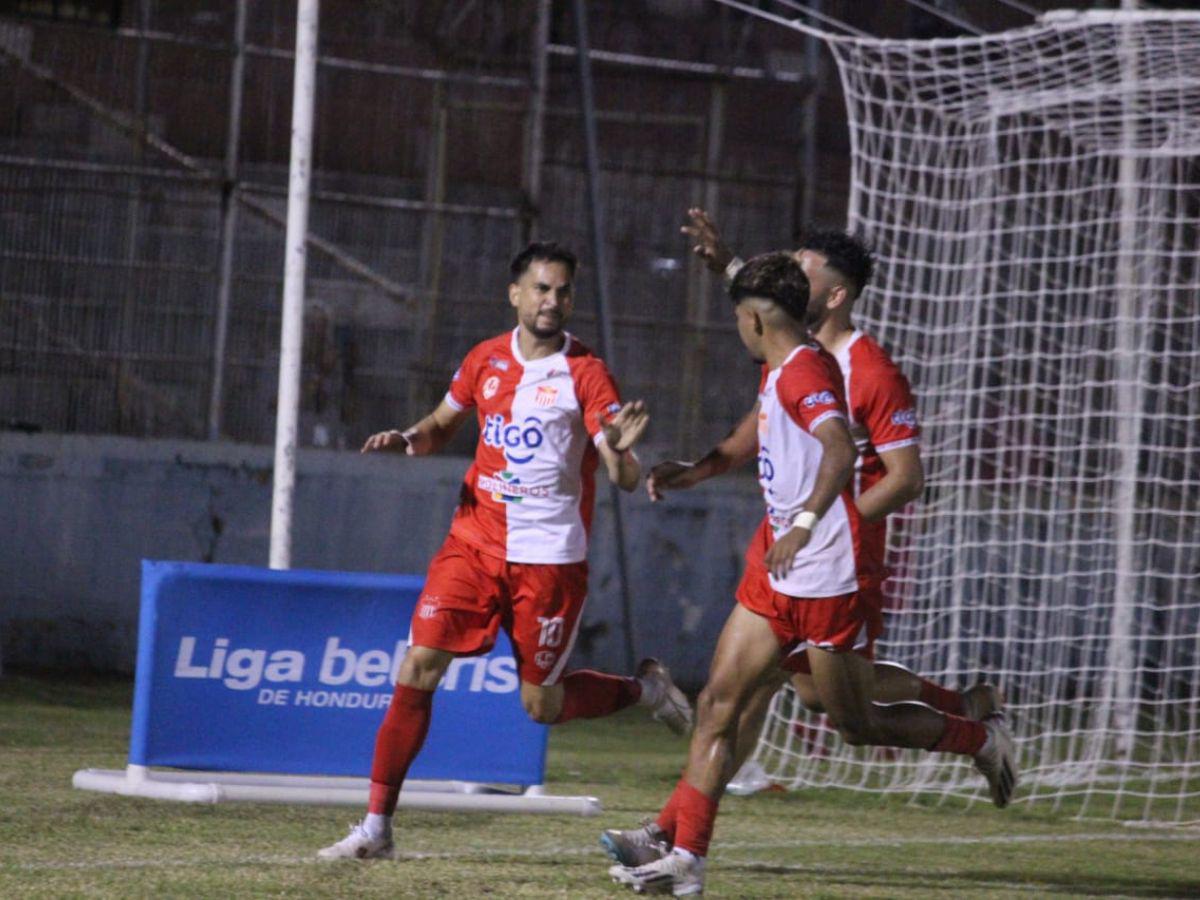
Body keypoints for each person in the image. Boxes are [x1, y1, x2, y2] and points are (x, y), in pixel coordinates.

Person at [606, 253, 1016, 897]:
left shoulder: (804, 373)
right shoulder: (787, 358)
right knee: (720, 702)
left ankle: (975, 735)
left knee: (855, 722)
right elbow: (768, 353)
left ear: (755, 321)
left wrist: (802, 523)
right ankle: (684, 857)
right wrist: (727, 266)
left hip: (827, 574)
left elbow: (840, 446)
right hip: (776, 571)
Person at [318, 241, 692, 861]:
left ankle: (645, 691)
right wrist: (407, 438)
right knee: (416, 669)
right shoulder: (484, 359)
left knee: (540, 706)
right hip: (472, 542)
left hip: (548, 560)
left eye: (563, 291)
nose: (552, 301)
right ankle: (375, 828)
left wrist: (620, 449)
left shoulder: (587, 373)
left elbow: (624, 479)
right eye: (541, 289)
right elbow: (441, 425)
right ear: (514, 293)